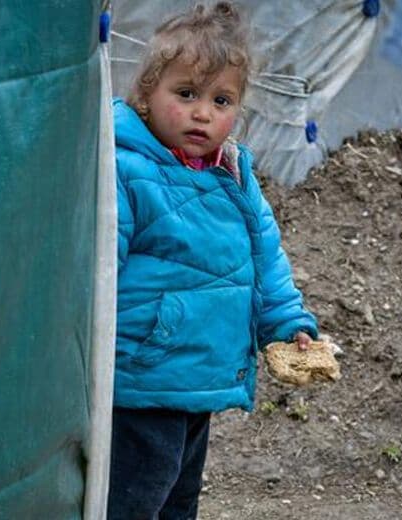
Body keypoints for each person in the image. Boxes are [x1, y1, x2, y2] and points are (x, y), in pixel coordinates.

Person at [109, 2, 319, 519]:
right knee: (135, 497)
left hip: (199, 376)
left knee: (179, 498)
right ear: (145, 95)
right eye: (186, 94)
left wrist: (287, 323)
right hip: (142, 378)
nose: (203, 112)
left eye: (221, 100)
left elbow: (266, 258)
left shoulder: (234, 176)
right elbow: (99, 267)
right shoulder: (126, 168)